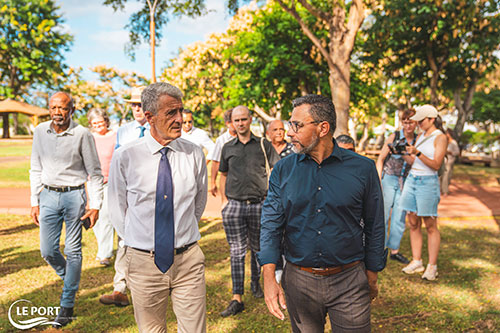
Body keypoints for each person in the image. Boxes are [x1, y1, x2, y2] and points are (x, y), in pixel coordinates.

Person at [258, 94, 386, 332]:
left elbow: (375, 224)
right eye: (290, 124)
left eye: (297, 125)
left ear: (322, 128)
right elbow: (270, 224)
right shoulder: (283, 171)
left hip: (350, 280)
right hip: (299, 280)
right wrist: (268, 277)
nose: (289, 132)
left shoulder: (363, 169)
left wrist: (372, 274)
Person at [108, 82, 208, 333]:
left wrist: (181, 235)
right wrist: (139, 243)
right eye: (171, 113)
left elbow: (199, 202)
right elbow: (117, 209)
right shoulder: (126, 156)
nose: (179, 119)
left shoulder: (194, 153)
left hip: (188, 261)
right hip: (143, 263)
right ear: (149, 117)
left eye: (181, 111)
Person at [30, 91, 103, 327]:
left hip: (74, 196)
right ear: (49, 109)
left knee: (73, 251)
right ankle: (71, 281)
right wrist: (34, 200)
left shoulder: (82, 134)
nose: (57, 113)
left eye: (63, 108)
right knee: (47, 251)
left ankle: (67, 304)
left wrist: (96, 205)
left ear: (72, 110)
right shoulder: (41, 131)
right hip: (48, 195)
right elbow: (35, 167)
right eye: (53, 108)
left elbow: (95, 173)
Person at [219, 105, 279, 317]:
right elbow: (223, 174)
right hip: (234, 206)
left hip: (259, 204)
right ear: (232, 123)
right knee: (236, 251)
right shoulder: (227, 147)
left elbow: (276, 170)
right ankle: (237, 297)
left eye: (244, 119)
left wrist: (272, 200)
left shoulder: (263, 144)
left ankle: (256, 283)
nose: (241, 123)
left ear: (250, 120)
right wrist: (225, 201)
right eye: (237, 120)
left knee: (258, 249)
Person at [99, 86, 148, 307]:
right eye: (134, 105)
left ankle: (151, 286)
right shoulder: (124, 131)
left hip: (152, 192)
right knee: (124, 237)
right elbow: (118, 161)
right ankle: (119, 288)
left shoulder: (159, 128)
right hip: (128, 191)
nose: (137, 109)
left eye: (141, 104)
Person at [400, 105, 447, 281]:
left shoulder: (440, 137)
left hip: (427, 183)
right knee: (413, 222)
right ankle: (417, 260)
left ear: (432, 119)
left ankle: (432, 266)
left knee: (430, 225)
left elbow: (435, 164)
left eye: (421, 120)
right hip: (412, 179)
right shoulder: (420, 136)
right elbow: (414, 162)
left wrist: (417, 152)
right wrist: (404, 153)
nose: (418, 123)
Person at [375, 109, 417, 265]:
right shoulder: (395, 136)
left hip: (406, 181)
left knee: (399, 217)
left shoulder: (418, 140)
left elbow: (415, 162)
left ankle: (394, 251)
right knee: (383, 215)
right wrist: (378, 181)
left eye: (411, 121)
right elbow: (380, 159)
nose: (408, 125)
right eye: (405, 122)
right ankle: (379, 248)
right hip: (389, 178)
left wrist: (402, 152)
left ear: (416, 123)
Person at [88, 109, 116, 267]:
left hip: (110, 181)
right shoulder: (89, 137)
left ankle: (104, 254)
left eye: (101, 122)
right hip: (92, 181)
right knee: (95, 217)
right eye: (95, 123)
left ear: (106, 121)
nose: (98, 125)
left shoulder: (115, 136)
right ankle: (102, 248)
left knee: (105, 215)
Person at [206, 109, 236, 197]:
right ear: (228, 123)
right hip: (229, 182)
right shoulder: (222, 140)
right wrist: (213, 182)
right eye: (235, 121)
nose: (239, 124)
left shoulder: (246, 138)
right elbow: (216, 162)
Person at [441, 128, 460, 196]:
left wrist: (450, 152)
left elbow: (457, 152)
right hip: (443, 161)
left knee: (446, 176)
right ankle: (442, 189)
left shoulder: (453, 143)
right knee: (441, 175)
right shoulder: (444, 141)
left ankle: (445, 190)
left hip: (449, 161)